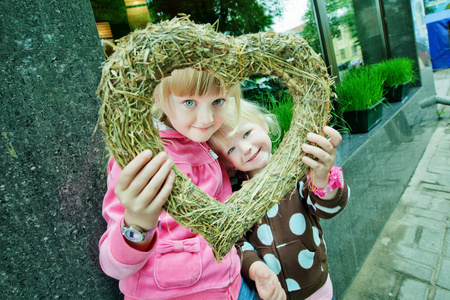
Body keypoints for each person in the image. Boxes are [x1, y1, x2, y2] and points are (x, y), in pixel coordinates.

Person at [99, 68, 259, 300]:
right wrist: (137, 224)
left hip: (235, 286)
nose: (206, 118)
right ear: (159, 97)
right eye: (189, 102)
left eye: (218, 100)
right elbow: (113, 266)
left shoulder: (206, 141)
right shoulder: (141, 157)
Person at [209, 100, 350, 300]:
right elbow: (237, 243)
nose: (246, 149)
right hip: (272, 294)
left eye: (247, 133)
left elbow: (327, 208)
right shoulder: (236, 195)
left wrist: (321, 177)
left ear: (264, 125)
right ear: (227, 163)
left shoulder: (296, 171)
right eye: (231, 149)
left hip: (316, 288)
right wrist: (255, 268)